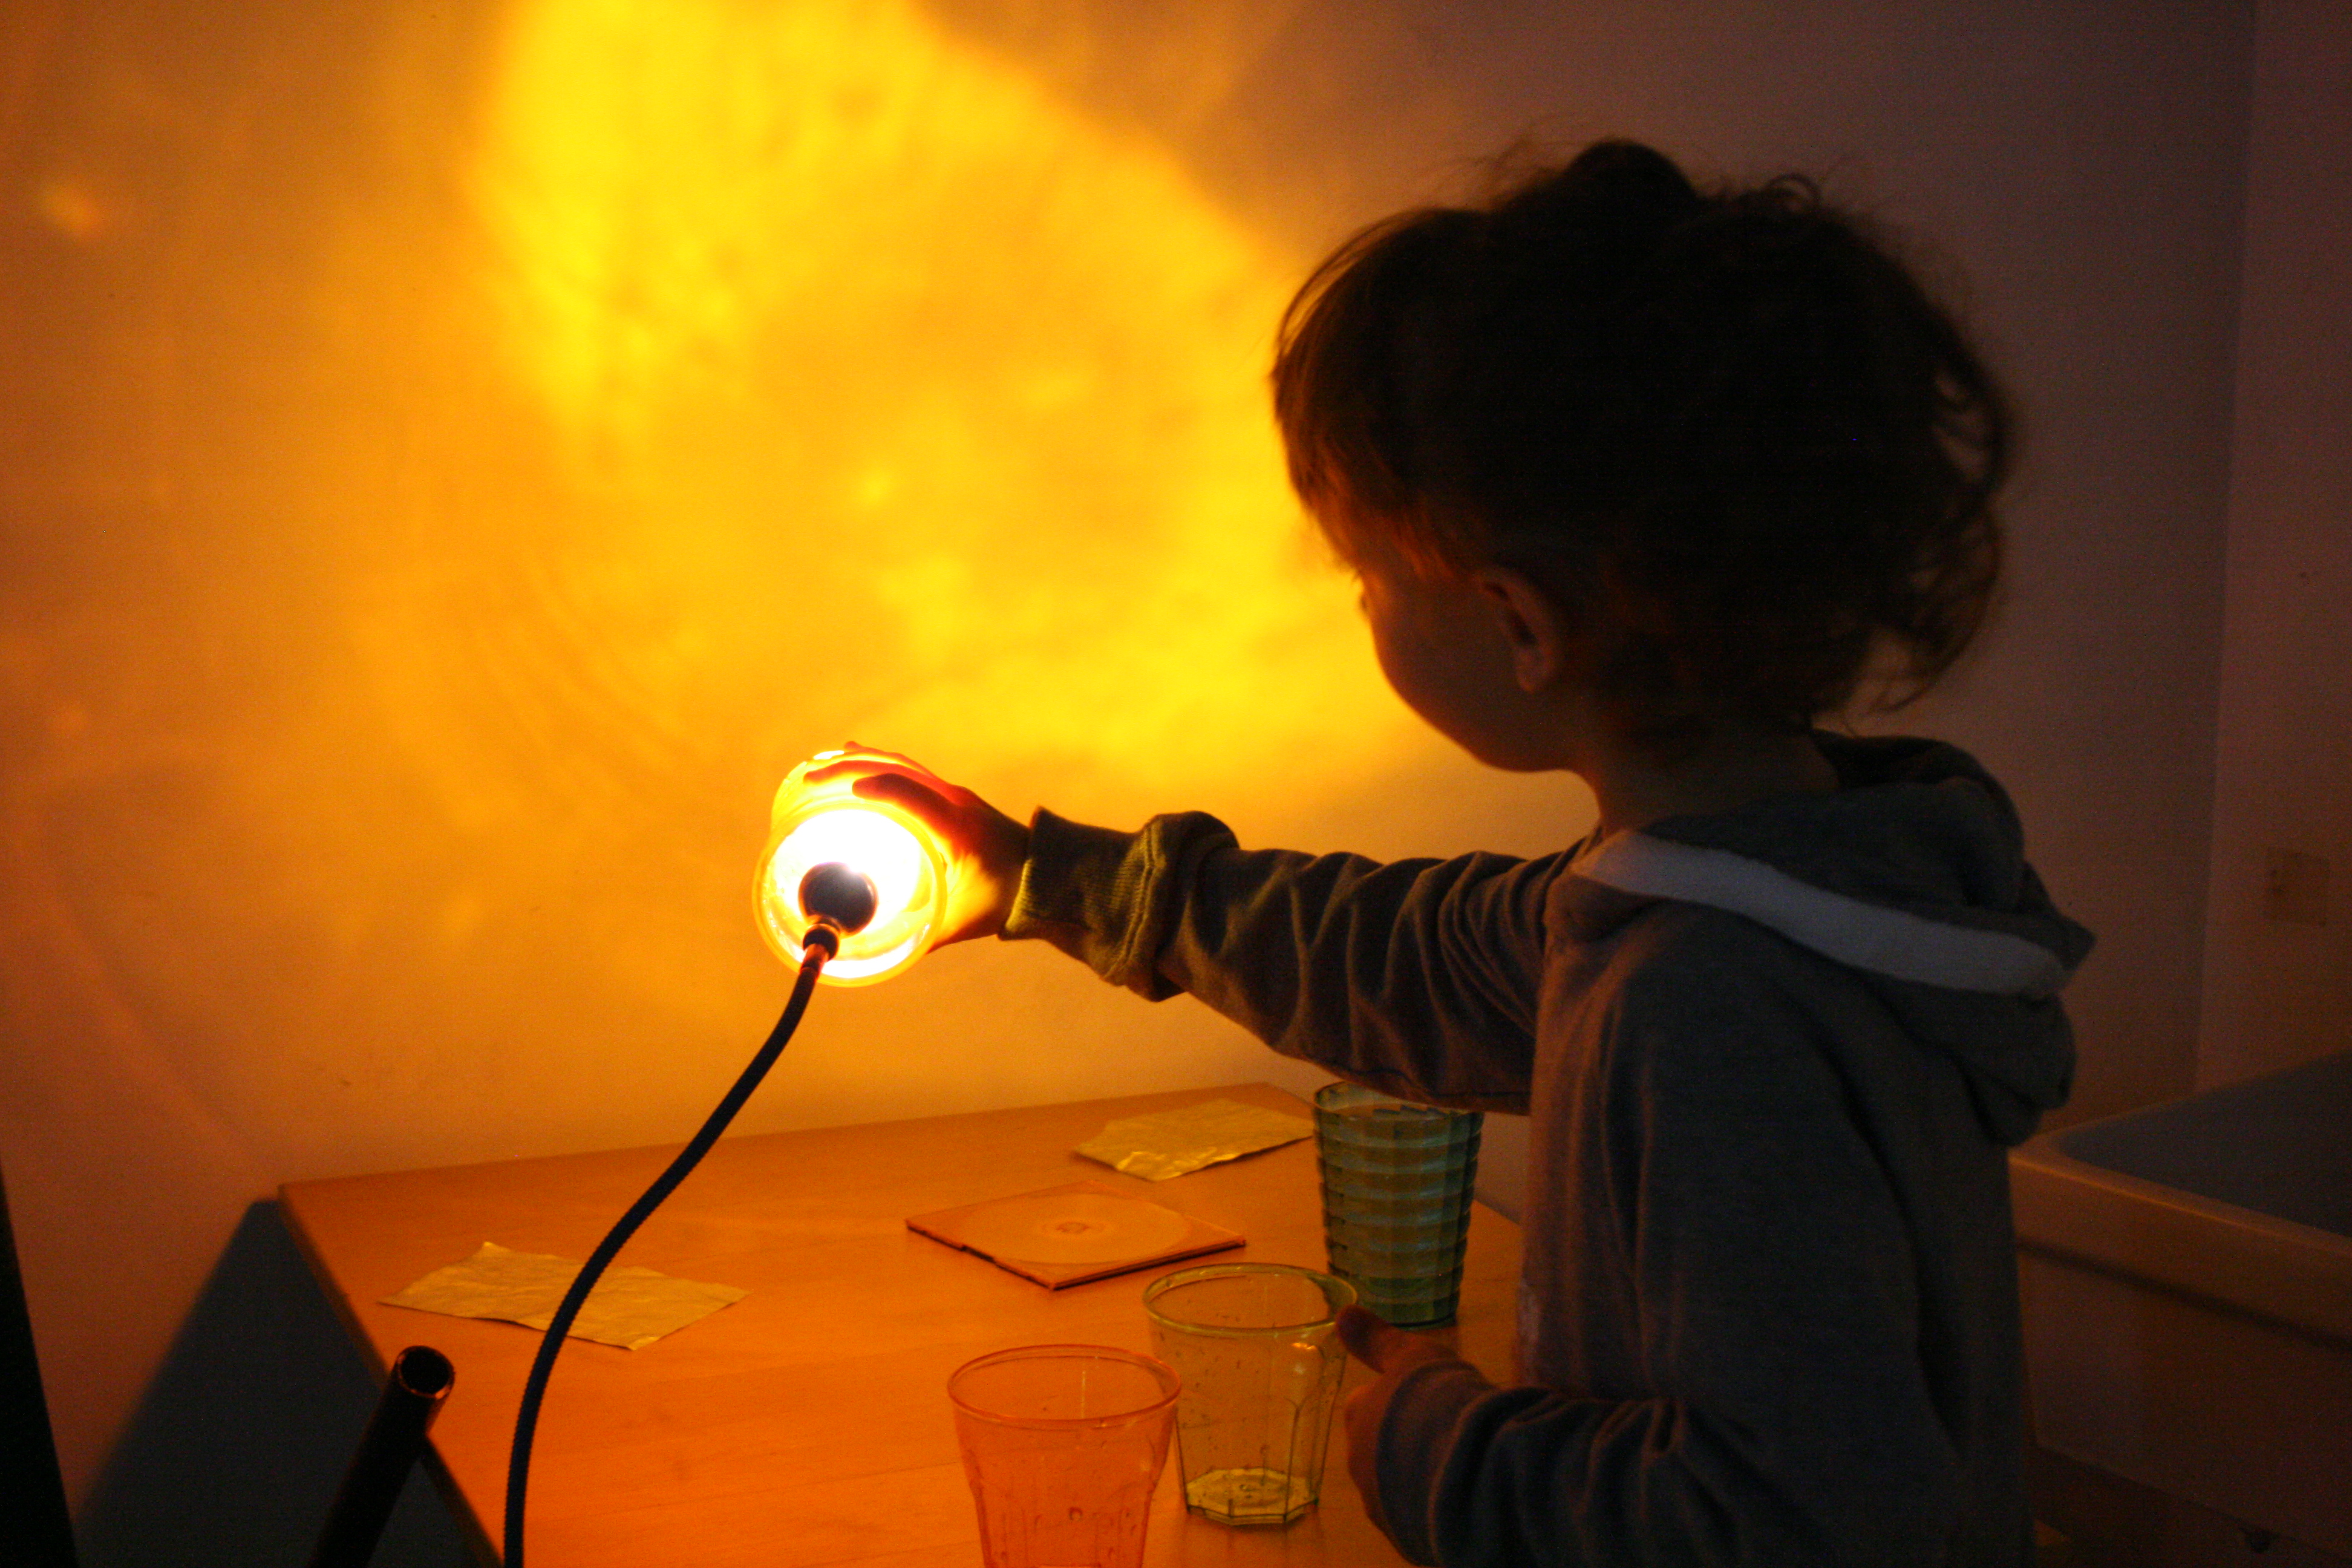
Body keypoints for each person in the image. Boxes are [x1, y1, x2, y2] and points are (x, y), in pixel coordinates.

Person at [815, 139, 2092, 1566]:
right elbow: (1411, 962)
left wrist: (1434, 1437)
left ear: (1521, 625)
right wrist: (1047, 880)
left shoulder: (1709, 1002)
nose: (1362, 604)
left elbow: (1799, 1525)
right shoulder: (1793, 879)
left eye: (1369, 573)